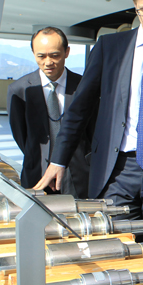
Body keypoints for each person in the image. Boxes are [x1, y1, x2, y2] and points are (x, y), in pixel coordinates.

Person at [35, 0, 143, 264]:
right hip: (117, 170)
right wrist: (58, 160)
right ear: (135, 7)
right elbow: (79, 108)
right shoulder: (110, 48)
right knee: (114, 254)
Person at [7, 27, 95, 197]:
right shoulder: (19, 90)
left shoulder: (84, 87)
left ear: (67, 52)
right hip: (37, 177)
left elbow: (92, 133)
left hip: (79, 178)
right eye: (41, 56)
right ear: (33, 53)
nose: (48, 62)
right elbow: (21, 136)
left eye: (55, 55)